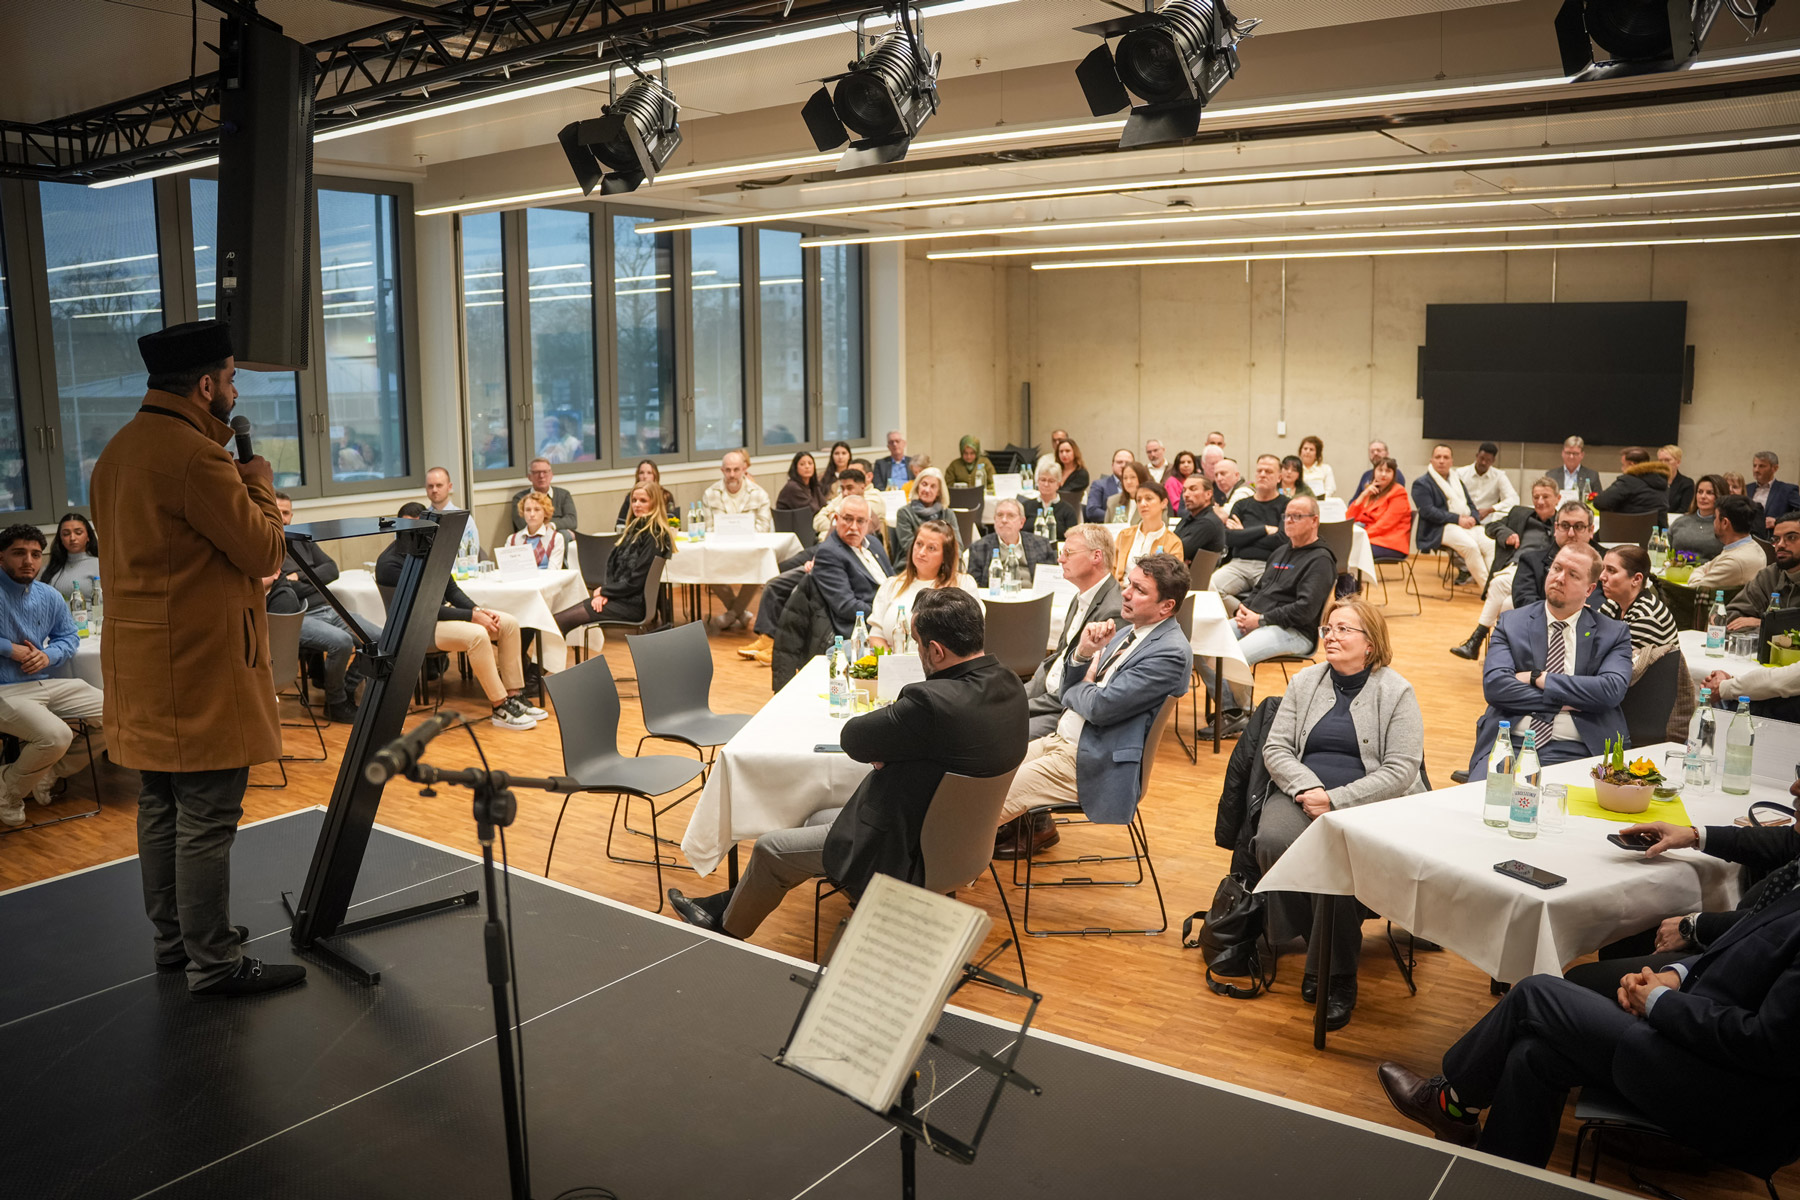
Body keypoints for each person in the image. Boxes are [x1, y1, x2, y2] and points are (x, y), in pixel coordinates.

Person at [1376, 823, 1800, 1176]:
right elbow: (1745, 948)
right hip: (1702, 1039)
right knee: (1533, 1054)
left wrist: (1659, 1003)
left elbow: (1768, 1045)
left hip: (1733, 1094)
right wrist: (1676, 975)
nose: (1794, 789)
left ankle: (1450, 1103)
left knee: (1536, 993)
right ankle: (1498, 1181)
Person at [91, 319, 302, 997]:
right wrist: (259, 482)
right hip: (200, 666)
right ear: (207, 385)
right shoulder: (197, 458)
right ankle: (215, 962)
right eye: (233, 378)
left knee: (159, 807)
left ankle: (175, 944)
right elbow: (264, 551)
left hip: (142, 664)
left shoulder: (117, 452)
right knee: (208, 817)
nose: (236, 391)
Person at [666, 588, 1028, 939]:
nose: (918, 652)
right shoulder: (1009, 683)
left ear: (936, 650)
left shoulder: (931, 702)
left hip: (905, 847)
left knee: (769, 848)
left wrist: (894, 746)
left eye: (917, 644)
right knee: (817, 817)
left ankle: (724, 932)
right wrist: (903, 750)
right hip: (964, 844)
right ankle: (726, 906)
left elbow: (853, 738)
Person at [1258, 599, 1425, 1029]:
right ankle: (1322, 944)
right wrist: (1307, 789)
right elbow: (1276, 748)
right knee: (1272, 841)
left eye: (1343, 629)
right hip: (1302, 796)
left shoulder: (1396, 691)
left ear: (1370, 644)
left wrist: (1337, 800)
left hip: (1368, 803)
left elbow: (1402, 770)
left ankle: (1335, 973)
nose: (1330, 636)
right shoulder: (1305, 681)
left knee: (1339, 863)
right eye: (1328, 628)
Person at [996, 555, 1192, 855]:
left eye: (1139, 590)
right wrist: (1083, 654)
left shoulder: (1170, 653)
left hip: (1089, 762)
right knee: (982, 774)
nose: (1125, 593)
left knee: (985, 804)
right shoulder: (1127, 632)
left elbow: (1100, 708)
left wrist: (1083, 686)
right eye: (1128, 583)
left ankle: (944, 875)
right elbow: (1066, 688)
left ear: (1166, 606)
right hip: (1061, 742)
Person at [1564, 799, 1800, 997]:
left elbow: (1772, 925)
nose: (1794, 789)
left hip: (1747, 961)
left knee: (1577, 981)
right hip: (1739, 937)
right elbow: (1790, 841)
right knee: (1621, 943)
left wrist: (1693, 927)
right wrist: (1693, 835)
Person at [1467, 543, 1631, 779]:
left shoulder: (1613, 633)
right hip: (1510, 744)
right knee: (1483, 796)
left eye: (1573, 575)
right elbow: (1496, 687)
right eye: (1556, 568)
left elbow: (1610, 691)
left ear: (1589, 589)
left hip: (1580, 749)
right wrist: (1572, 699)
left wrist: (1538, 678)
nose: (1560, 578)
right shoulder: (1512, 623)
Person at [379, 503, 543, 731]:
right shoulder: (390, 563)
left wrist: (478, 610)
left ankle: (514, 695)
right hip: (413, 628)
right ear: (398, 528)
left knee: (508, 623)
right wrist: (471, 617)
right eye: (408, 528)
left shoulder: (431, 549)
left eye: (418, 528)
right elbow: (421, 608)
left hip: (437, 618)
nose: (414, 533)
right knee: (477, 635)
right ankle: (500, 706)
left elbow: (452, 591)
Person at [1198, 495, 1337, 733]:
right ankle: (1233, 711)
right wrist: (1245, 610)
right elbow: (1261, 589)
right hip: (1260, 621)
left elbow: (1305, 610)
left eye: (1297, 516)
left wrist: (1260, 620)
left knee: (1235, 657)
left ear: (1314, 521)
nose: (1289, 521)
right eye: (1286, 516)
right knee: (1202, 644)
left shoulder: (1321, 560)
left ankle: (1247, 715)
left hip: (1295, 631)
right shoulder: (1281, 551)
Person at [0, 525, 105, 827]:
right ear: (1, 557)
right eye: (19, 553)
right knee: (56, 735)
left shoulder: (48, 595)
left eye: (35, 554)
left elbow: (69, 637)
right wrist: (10, 650)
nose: (28, 561)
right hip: (4, 688)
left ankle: (49, 772)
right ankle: (8, 792)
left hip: (44, 681)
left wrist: (48, 655)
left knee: (118, 714)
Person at [273, 493, 382, 725]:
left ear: (292, 516)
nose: (282, 518)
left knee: (379, 638)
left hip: (327, 609)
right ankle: (335, 703)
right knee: (341, 642)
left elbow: (332, 569)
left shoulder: (300, 540)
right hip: (297, 616)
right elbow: (286, 589)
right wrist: (312, 580)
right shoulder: (267, 546)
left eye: (286, 513)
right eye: (277, 512)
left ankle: (347, 688)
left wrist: (300, 576)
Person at [1018, 526, 1123, 745]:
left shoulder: (1113, 611)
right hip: (1047, 688)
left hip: (1065, 707)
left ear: (1096, 556)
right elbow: (1059, 656)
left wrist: (1018, 707)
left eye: (1068, 552)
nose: (1060, 559)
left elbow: (1087, 685)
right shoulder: (1080, 597)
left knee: (1002, 731)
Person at [1450, 478, 1559, 661]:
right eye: (1536, 497)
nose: (1540, 501)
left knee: (1499, 584)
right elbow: (1491, 527)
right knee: (1507, 604)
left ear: (1558, 498)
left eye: (1545, 497)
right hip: (1515, 568)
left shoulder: (1562, 523)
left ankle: (1477, 641)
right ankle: (1503, 654)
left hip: (1541, 577)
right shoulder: (1520, 514)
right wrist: (1506, 534)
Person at [1599, 544, 1693, 739]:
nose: (1602, 576)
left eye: (1611, 570)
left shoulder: (1646, 616)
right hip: (1626, 699)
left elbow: (1610, 665)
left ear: (1636, 579)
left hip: (1645, 709)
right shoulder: (1613, 605)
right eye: (1603, 569)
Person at [554, 484, 673, 634]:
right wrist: (605, 593)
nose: (636, 505)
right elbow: (615, 571)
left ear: (655, 503)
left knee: (559, 621)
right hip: (620, 598)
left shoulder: (654, 534)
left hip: (632, 605)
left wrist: (605, 591)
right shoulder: (635, 529)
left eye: (643, 501)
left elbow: (636, 581)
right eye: (634, 500)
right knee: (554, 620)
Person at [868, 520, 978, 647]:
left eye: (931, 548)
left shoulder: (963, 584)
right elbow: (876, 636)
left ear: (945, 556)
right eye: (919, 544)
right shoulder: (892, 585)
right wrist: (892, 659)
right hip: (894, 657)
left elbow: (971, 636)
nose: (921, 553)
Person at [702, 449, 773, 632]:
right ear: (722, 470)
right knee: (706, 568)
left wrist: (735, 534)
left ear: (744, 469)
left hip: (750, 550)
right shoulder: (710, 494)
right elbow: (708, 528)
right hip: (720, 550)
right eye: (728, 470)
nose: (732, 474)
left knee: (759, 567)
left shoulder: (759, 494)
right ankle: (740, 613)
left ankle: (732, 614)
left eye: (736, 469)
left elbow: (763, 527)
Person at [1413, 444, 1495, 591]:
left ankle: (1496, 584)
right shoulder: (1421, 483)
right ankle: (1488, 591)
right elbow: (1428, 511)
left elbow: (1470, 504)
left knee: (1490, 545)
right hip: (1439, 528)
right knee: (1471, 547)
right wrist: (1458, 519)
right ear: (1431, 460)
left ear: (1451, 461)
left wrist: (1474, 518)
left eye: (1446, 457)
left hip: (1466, 524)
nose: (1441, 461)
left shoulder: (1456, 480)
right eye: (1438, 457)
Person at [811, 493, 894, 638]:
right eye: (848, 519)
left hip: (891, 615)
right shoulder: (829, 552)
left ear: (868, 523)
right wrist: (886, 613)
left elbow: (892, 581)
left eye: (860, 521)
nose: (854, 527)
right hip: (863, 628)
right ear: (836, 519)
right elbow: (846, 606)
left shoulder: (874, 543)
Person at [1212, 456, 1290, 602]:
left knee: (1272, 596)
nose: (1262, 475)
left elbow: (1281, 540)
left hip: (1270, 565)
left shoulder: (1287, 505)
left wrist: (1244, 533)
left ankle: (1248, 613)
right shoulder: (1241, 505)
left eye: (1268, 471)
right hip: (1238, 563)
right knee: (1211, 588)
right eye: (1259, 471)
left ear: (1279, 477)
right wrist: (1264, 530)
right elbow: (1229, 538)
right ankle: (1239, 612)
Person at [1512, 501, 1600, 611]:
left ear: (1591, 530)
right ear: (1556, 528)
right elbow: (1524, 601)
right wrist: (1559, 612)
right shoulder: (1531, 560)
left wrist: (1583, 613)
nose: (1571, 534)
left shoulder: (1606, 561)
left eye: (1578, 527)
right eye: (1565, 526)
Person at [1724, 512, 1800, 631]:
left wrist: (1766, 624)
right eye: (1776, 539)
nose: (1780, 545)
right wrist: (1763, 626)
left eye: (1791, 537)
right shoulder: (1769, 576)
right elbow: (1731, 616)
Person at [969, 498, 1056, 589]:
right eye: (1000, 515)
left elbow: (1051, 581)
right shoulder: (979, 547)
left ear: (1022, 522)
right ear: (994, 520)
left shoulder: (1041, 544)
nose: (1004, 520)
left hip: (1032, 595)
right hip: (996, 596)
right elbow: (974, 586)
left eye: (1010, 515)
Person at [1687, 494, 1765, 592]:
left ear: (1724, 523)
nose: (1714, 522)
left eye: (1715, 518)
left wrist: (1696, 574)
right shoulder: (1753, 546)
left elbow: (1694, 588)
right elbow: (1707, 566)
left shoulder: (1734, 561)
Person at [1346, 457, 1411, 562]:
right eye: (1380, 470)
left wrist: (1362, 536)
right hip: (1371, 538)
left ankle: (1351, 574)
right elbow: (1349, 518)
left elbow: (1385, 524)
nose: (1383, 474)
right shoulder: (1372, 491)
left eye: (1388, 471)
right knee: (1342, 546)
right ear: (1374, 472)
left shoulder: (1399, 492)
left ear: (1394, 474)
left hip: (1389, 543)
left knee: (1350, 549)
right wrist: (1363, 495)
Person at [1112, 485, 1184, 579]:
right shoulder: (1124, 535)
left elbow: (1173, 579)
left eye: (1148, 498)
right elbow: (1111, 569)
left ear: (1163, 503)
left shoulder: (1173, 542)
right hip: (1121, 586)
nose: (1143, 504)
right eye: (1139, 500)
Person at [1592, 445, 1671, 523]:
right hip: (1657, 530)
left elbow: (1600, 502)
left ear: (1631, 465)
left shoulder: (1628, 481)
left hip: (1627, 528)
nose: (1622, 468)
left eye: (1623, 465)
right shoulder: (1661, 480)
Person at [894, 466, 953, 561]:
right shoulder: (904, 513)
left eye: (933, 486)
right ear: (918, 487)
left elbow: (957, 545)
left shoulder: (947, 513)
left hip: (942, 563)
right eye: (924, 484)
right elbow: (909, 547)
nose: (927, 490)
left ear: (939, 492)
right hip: (911, 563)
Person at [41, 512, 101, 600]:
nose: (72, 538)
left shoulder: (99, 565)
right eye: (66, 534)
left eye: (78, 533)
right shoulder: (49, 569)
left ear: (88, 537)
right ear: (60, 539)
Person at [509, 458, 578, 533]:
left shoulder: (564, 495)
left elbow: (572, 521)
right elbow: (523, 525)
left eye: (545, 472)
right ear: (529, 477)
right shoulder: (520, 498)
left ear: (551, 475)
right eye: (537, 472)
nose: (541, 476)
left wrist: (552, 525)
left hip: (559, 535)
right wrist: (557, 524)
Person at [813, 469, 888, 538]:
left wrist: (831, 517)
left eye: (850, 488)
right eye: (842, 488)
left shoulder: (872, 501)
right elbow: (816, 520)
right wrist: (835, 524)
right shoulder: (842, 497)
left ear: (863, 487)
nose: (845, 493)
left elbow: (849, 534)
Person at [1455, 442, 1519, 521]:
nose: (1483, 462)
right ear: (1477, 456)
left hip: (1488, 520)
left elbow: (1514, 499)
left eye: (1488, 460)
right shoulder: (1460, 473)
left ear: (1493, 461)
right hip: (1463, 518)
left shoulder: (1499, 476)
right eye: (1481, 458)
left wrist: (1490, 510)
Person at [1670, 473, 1728, 559]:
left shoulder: (1726, 526)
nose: (1703, 496)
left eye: (1709, 493)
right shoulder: (1680, 522)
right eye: (1700, 492)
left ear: (1720, 496)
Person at [503, 492, 566, 570]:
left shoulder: (556, 538)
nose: (532, 514)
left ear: (545, 512)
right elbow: (509, 570)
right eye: (528, 510)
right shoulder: (512, 539)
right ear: (523, 512)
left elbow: (553, 571)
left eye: (537, 509)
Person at [1174, 474, 1227, 564]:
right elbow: (1170, 543)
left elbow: (1176, 552)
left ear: (1208, 494)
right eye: (1184, 490)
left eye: (1193, 489)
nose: (1186, 495)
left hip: (1194, 573)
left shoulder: (1208, 522)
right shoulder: (1189, 518)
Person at [1022, 461, 1079, 539]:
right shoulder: (1026, 506)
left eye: (1051, 481)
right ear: (1037, 482)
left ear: (1058, 484)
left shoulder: (1068, 510)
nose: (1046, 484)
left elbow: (1073, 538)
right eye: (1043, 480)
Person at [616, 459, 678, 527]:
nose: (645, 477)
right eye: (641, 473)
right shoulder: (631, 496)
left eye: (649, 473)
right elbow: (620, 524)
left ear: (655, 476)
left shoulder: (666, 495)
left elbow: (673, 522)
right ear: (637, 476)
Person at [1750, 449, 1799, 529]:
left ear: (1775, 468)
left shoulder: (1787, 490)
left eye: (1761, 466)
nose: (1756, 470)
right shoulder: (1747, 488)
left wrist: (1778, 521)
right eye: (1754, 465)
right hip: (1746, 534)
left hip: (1771, 534)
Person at [1085, 448, 1135, 522]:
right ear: (1112, 465)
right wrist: (1118, 518)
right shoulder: (1099, 485)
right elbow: (1092, 511)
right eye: (1119, 462)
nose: (1123, 465)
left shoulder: (1141, 486)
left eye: (1127, 463)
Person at [1103, 460, 1153, 525]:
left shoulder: (1152, 502)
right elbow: (1106, 528)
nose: (1128, 481)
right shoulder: (1113, 502)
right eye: (1125, 478)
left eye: (1133, 477)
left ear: (1141, 478)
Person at [1659, 444, 1695, 516]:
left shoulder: (1687, 483)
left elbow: (1684, 509)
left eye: (1667, 460)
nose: (1663, 464)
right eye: (1660, 460)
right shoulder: (1654, 481)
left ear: (1678, 462)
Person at [1053, 438, 1090, 508]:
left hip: (1071, 508)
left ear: (1074, 453)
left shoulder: (1082, 474)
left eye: (1067, 451)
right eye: (1061, 451)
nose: (1064, 454)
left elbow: (1065, 494)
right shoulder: (1055, 471)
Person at [1298, 434, 1335, 500]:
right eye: (1305, 449)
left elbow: (1330, 489)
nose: (1307, 452)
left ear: (1317, 454)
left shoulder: (1326, 469)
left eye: (1311, 449)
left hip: (1320, 502)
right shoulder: (1295, 469)